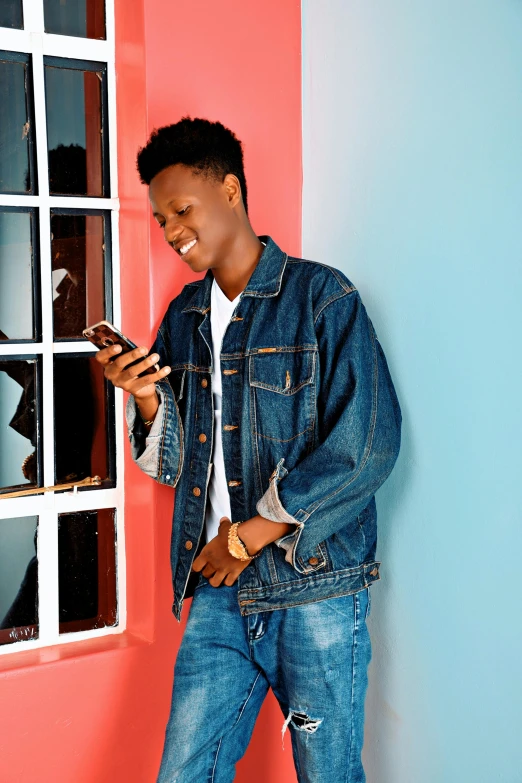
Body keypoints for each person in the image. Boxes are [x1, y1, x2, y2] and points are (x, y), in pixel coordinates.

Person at [96, 117, 402, 783]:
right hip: (217, 592)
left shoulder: (323, 298)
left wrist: (251, 534)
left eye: (182, 211)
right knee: (184, 773)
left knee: (329, 774)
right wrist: (146, 398)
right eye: (161, 219)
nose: (173, 232)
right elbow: (176, 464)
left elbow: (368, 444)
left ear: (230, 190)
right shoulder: (183, 317)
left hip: (314, 589)